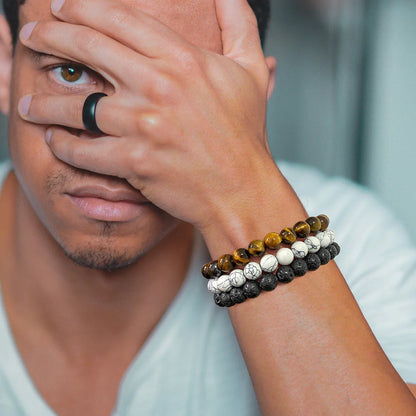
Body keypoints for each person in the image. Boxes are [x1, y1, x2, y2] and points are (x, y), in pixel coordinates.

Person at [0, 0, 415, 415]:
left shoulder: (354, 246)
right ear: (5, 65)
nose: (118, 151)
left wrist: (240, 192)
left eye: (177, 91)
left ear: (253, 99)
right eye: (70, 71)